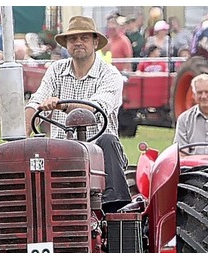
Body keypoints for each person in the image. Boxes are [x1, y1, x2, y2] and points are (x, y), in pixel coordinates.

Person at [24, 15, 131, 213]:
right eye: (73, 39)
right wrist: (22, 136)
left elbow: (96, 107)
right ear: (67, 44)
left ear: (95, 42)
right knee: (34, 151)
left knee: (108, 139)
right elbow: (36, 102)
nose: (78, 43)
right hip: (58, 152)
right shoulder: (56, 70)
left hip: (97, 155)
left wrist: (62, 106)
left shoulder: (110, 74)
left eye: (84, 38)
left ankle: (113, 213)